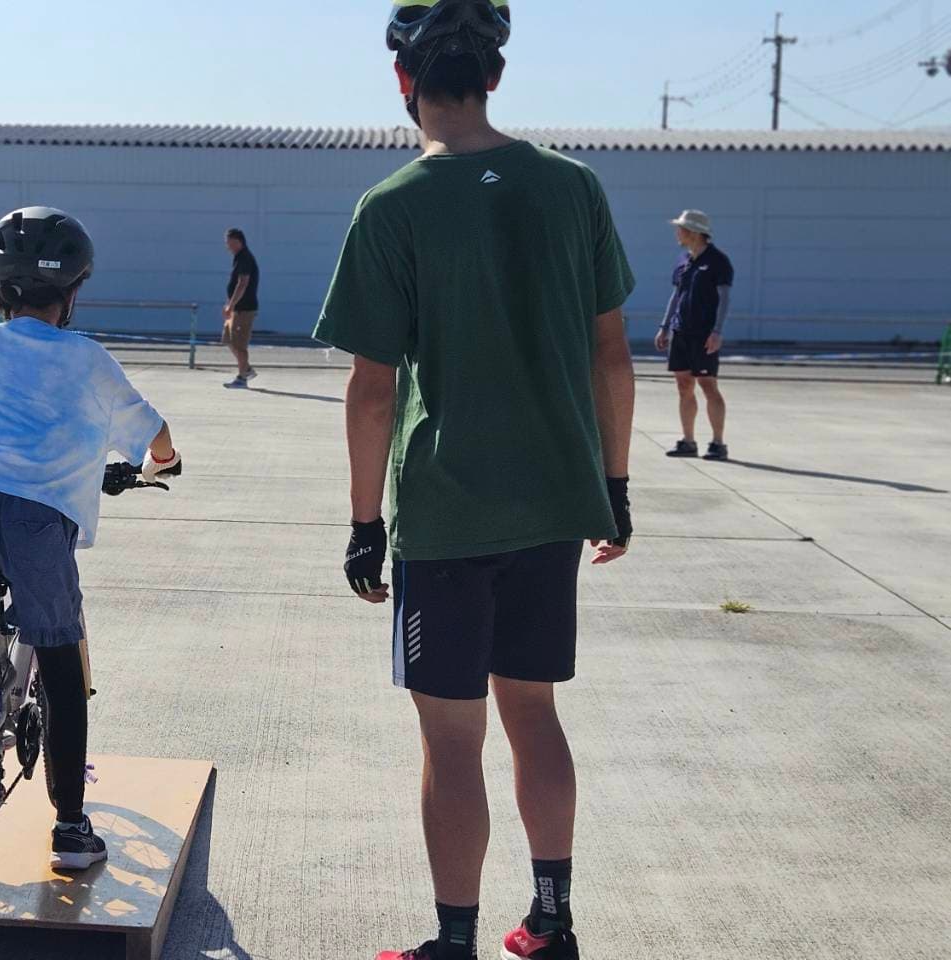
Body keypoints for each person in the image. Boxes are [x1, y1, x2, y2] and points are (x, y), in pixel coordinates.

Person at [313, 3, 636, 958]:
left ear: (401, 80)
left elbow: (372, 389)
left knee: (452, 740)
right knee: (533, 712)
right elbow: (610, 355)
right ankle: (552, 919)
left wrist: (364, 523)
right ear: (494, 77)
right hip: (552, 502)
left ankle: (450, 941)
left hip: (448, 510)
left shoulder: (393, 205)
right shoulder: (573, 188)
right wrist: (612, 486)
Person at [0, 206, 180, 870]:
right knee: (59, 661)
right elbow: (157, 439)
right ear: (74, 292)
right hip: (36, 523)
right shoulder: (88, 359)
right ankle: (71, 830)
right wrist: (155, 466)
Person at [654, 210, 735, 461]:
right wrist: (665, 326)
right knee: (683, 385)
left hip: (704, 334)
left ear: (694, 232)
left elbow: (723, 300)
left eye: (681, 229)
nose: (677, 233)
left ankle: (718, 443)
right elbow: (676, 296)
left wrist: (717, 331)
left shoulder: (718, 261)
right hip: (681, 332)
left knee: (708, 385)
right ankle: (688, 441)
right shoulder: (683, 260)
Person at [221, 228, 261, 388]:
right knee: (228, 339)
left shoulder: (244, 257)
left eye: (230, 243)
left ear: (238, 241)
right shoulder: (238, 258)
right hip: (236, 308)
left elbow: (242, 283)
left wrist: (231, 305)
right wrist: (229, 304)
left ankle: (242, 377)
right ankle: (247, 369)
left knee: (239, 343)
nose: (228, 247)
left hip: (244, 309)